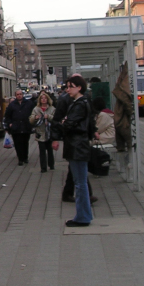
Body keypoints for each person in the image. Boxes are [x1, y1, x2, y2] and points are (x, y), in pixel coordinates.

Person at [61, 75, 93, 227]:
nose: (67, 90)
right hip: (79, 146)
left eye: (70, 86)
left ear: (79, 87)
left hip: (77, 147)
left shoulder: (79, 104)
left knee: (80, 184)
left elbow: (70, 124)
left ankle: (83, 217)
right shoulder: (83, 102)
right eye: (67, 87)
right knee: (81, 183)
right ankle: (84, 215)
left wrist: (65, 122)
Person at [3, 89, 34, 166]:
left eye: (20, 94)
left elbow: (33, 113)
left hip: (26, 126)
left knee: (25, 142)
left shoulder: (29, 103)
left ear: (22, 95)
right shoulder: (12, 105)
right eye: (18, 94)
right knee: (17, 143)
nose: (19, 95)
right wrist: (10, 123)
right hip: (16, 127)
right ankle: (20, 159)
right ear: (16, 96)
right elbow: (7, 115)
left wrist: (32, 122)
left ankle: (25, 157)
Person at [29, 92, 55, 172]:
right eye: (42, 98)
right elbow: (31, 120)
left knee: (50, 150)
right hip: (40, 132)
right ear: (40, 100)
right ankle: (43, 167)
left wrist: (49, 117)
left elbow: (56, 119)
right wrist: (35, 118)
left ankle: (51, 164)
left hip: (49, 132)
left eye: (45, 98)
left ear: (48, 99)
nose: (44, 100)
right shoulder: (36, 109)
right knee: (42, 150)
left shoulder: (52, 109)